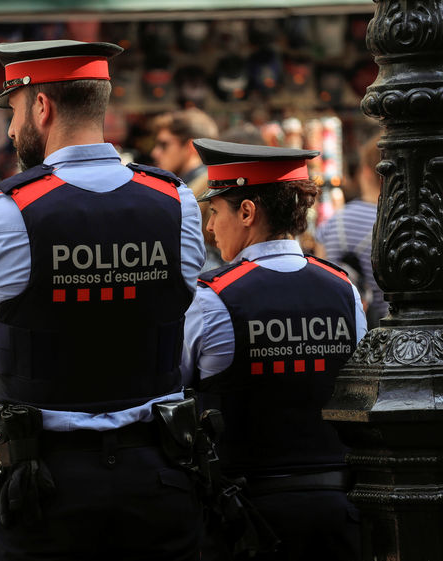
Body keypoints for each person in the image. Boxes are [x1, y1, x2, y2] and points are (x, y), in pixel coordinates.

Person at [0, 40, 206, 561]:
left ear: (42, 106)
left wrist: (7, 336)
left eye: (13, 112)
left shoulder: (0, 215)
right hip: (158, 471)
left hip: (45, 486)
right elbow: (172, 306)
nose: (12, 131)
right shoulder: (177, 202)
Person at [180, 139, 367, 561]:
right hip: (337, 514)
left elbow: (171, 388)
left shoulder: (212, 300)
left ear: (247, 212)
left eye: (215, 212)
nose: (210, 228)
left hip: (247, 522)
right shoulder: (343, 290)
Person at [316, 133, 387, 329]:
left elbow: (320, 273)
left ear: (365, 171)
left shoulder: (333, 222)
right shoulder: (396, 224)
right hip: (387, 337)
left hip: (341, 332)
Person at [150, 107, 222, 270]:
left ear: (191, 147)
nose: (155, 153)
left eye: (164, 145)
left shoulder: (212, 190)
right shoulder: (186, 188)